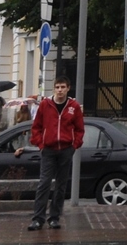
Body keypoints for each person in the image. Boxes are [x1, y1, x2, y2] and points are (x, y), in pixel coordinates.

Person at [23, 78, 83, 231]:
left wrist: (74, 145)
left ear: (68, 88)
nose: (60, 90)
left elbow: (79, 129)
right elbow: (36, 126)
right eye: (57, 87)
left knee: (61, 185)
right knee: (44, 184)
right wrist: (41, 144)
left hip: (65, 149)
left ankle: (54, 218)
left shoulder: (73, 106)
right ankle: (38, 219)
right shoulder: (45, 104)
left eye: (63, 87)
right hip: (48, 150)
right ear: (54, 89)